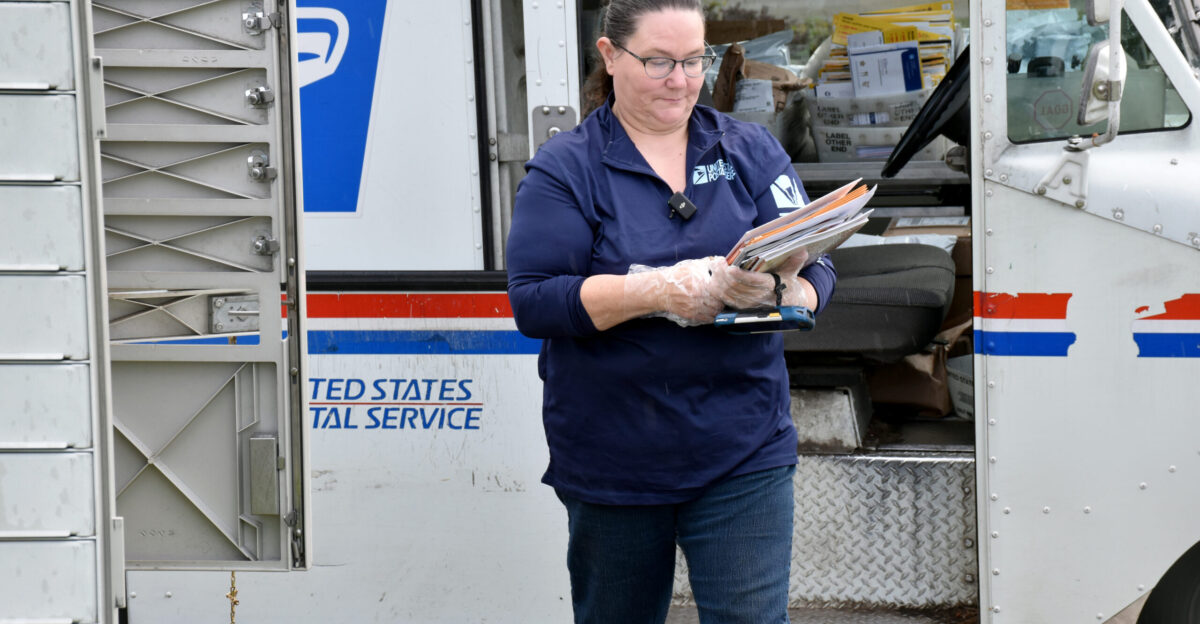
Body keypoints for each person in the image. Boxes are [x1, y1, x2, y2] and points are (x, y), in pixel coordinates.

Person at [506, 1, 837, 621]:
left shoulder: (749, 150)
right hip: (615, 456)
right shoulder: (567, 168)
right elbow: (535, 301)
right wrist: (658, 290)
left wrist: (794, 294)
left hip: (743, 448)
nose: (681, 80)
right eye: (658, 61)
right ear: (609, 56)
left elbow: (817, 261)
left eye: (694, 61)